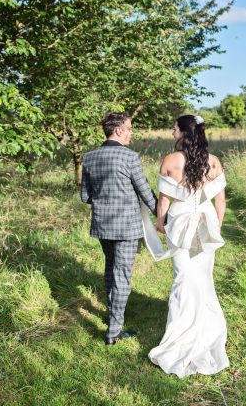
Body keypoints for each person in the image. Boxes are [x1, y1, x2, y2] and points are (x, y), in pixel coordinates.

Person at [147, 114, 229, 377]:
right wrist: (215, 226)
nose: (172, 132)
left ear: (183, 132)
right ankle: (204, 332)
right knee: (202, 278)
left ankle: (181, 337)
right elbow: (220, 202)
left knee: (184, 278)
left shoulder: (170, 161)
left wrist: (161, 223)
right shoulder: (213, 162)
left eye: (174, 128)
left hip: (182, 226)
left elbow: (164, 201)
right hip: (205, 227)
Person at [80, 112, 157, 345]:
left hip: (103, 225)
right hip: (126, 227)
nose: (132, 133)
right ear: (119, 130)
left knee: (110, 269)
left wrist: (106, 199)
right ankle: (114, 331)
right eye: (130, 128)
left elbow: (85, 196)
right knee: (122, 274)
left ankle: (114, 314)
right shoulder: (130, 157)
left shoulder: (89, 157)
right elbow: (145, 192)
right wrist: (164, 216)